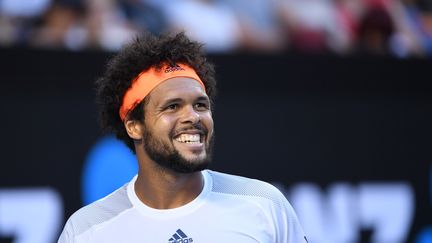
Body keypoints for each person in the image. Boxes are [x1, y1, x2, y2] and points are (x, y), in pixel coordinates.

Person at [58, 32, 307, 243]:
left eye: (200, 105)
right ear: (134, 127)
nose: (193, 117)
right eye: (172, 107)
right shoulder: (86, 231)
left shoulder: (265, 204)